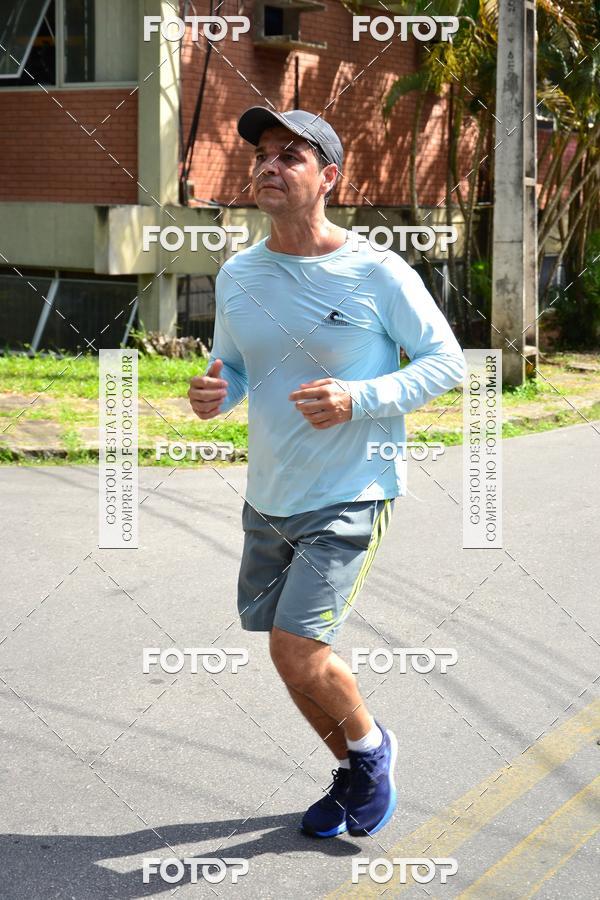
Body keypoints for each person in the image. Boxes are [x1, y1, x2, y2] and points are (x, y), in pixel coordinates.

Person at [188, 107, 466, 839]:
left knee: (298, 649)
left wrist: (358, 398)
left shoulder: (377, 271)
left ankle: (371, 755)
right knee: (290, 658)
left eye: (291, 155)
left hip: (352, 488)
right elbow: (233, 365)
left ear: (330, 178)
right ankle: (354, 770)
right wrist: (216, 392)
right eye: (263, 154)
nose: (269, 166)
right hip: (269, 494)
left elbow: (446, 363)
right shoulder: (240, 274)